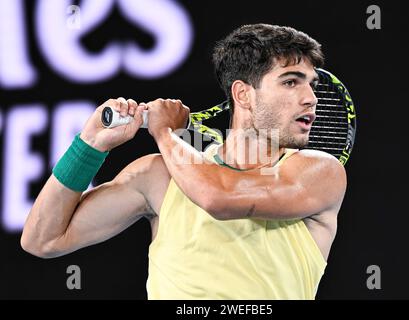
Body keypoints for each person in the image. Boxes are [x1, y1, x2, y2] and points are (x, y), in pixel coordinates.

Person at [21, 23, 346, 299]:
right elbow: (43, 239)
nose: (311, 98)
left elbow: (218, 197)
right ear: (243, 94)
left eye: (311, 84)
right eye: (291, 81)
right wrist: (90, 145)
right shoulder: (157, 176)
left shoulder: (319, 171)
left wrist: (165, 133)